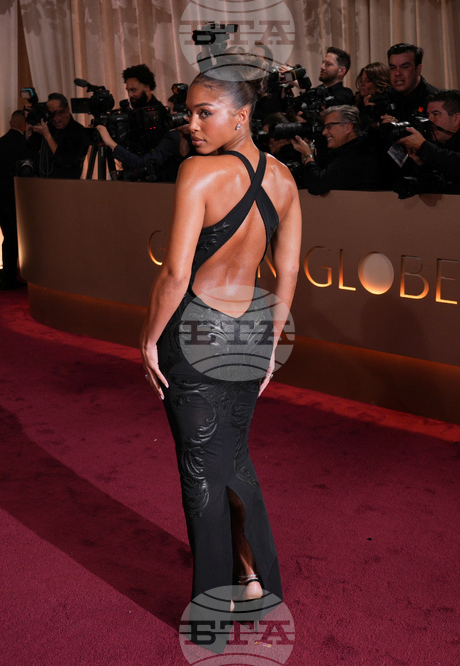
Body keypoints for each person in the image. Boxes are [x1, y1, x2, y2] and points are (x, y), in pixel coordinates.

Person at [140, 57, 301, 630]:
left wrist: (148, 337)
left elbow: (175, 273)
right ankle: (255, 581)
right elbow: (287, 275)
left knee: (202, 473)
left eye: (205, 113)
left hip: (196, 329)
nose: (192, 124)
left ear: (242, 115)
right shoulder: (284, 177)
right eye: (188, 114)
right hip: (252, 330)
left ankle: (212, 610)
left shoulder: (197, 173)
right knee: (232, 460)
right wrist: (272, 345)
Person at [393, 89, 460, 195]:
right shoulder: (434, 145)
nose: (429, 120)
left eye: (436, 114)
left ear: (456, 118)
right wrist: (420, 163)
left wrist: (423, 146)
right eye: (428, 115)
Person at [291, 105, 381, 194]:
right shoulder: (345, 151)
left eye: (329, 127)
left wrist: (308, 155)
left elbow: (317, 185)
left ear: (348, 127)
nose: (324, 132)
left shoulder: (358, 154)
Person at [0, 110, 30, 289]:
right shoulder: (24, 143)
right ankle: (16, 277)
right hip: (16, 197)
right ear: (25, 125)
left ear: (9, 123)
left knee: (9, 237)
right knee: (18, 238)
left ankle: (8, 277)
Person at [30, 93, 88, 178]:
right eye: (51, 114)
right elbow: (30, 148)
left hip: (67, 185)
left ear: (67, 110)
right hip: (43, 183)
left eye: (58, 113)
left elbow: (65, 161)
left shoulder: (78, 131)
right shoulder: (48, 127)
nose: (54, 119)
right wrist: (28, 131)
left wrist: (48, 136)